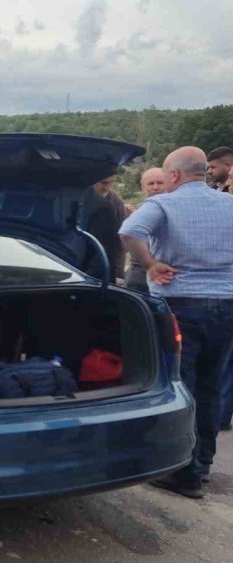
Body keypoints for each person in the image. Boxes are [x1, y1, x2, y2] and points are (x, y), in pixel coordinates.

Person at [119, 146, 233, 499]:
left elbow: (129, 231)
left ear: (174, 175)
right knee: (211, 388)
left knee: (180, 385)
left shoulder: (163, 204)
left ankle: (181, 471)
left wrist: (151, 264)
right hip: (227, 306)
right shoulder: (229, 204)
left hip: (181, 305)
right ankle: (200, 467)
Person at [123, 167, 167, 292]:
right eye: (151, 183)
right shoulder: (138, 211)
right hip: (139, 272)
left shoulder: (175, 209)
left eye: (160, 183)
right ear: (143, 187)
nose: (156, 187)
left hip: (166, 271)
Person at [84, 173, 127, 283]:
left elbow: (119, 240)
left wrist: (119, 273)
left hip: (103, 260)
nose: (107, 187)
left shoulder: (116, 203)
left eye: (111, 183)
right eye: (104, 183)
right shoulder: (81, 198)